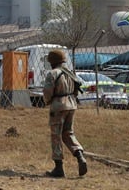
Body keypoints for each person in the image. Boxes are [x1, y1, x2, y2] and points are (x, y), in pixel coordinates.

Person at [40, 49, 87, 178]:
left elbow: (47, 91)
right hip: (71, 105)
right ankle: (79, 155)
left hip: (58, 106)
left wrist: (48, 101)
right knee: (68, 133)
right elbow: (77, 90)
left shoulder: (52, 73)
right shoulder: (70, 73)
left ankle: (59, 168)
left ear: (51, 62)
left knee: (56, 136)